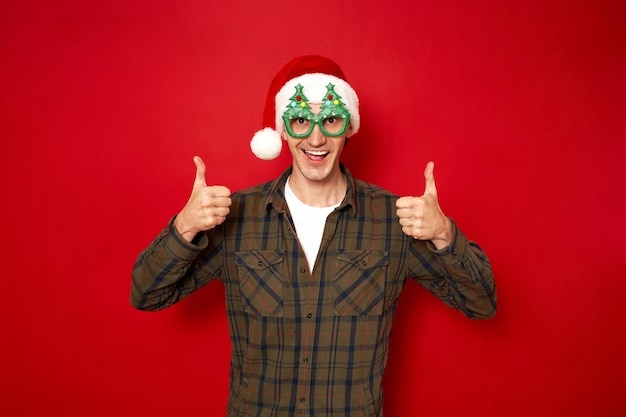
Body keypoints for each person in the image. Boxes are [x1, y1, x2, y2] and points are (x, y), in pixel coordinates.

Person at [131, 55, 496, 416]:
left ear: (347, 126)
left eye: (331, 120)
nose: (317, 137)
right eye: (301, 120)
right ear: (282, 131)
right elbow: (146, 294)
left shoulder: (394, 220)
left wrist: (444, 234)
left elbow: (481, 303)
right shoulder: (237, 217)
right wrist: (185, 226)